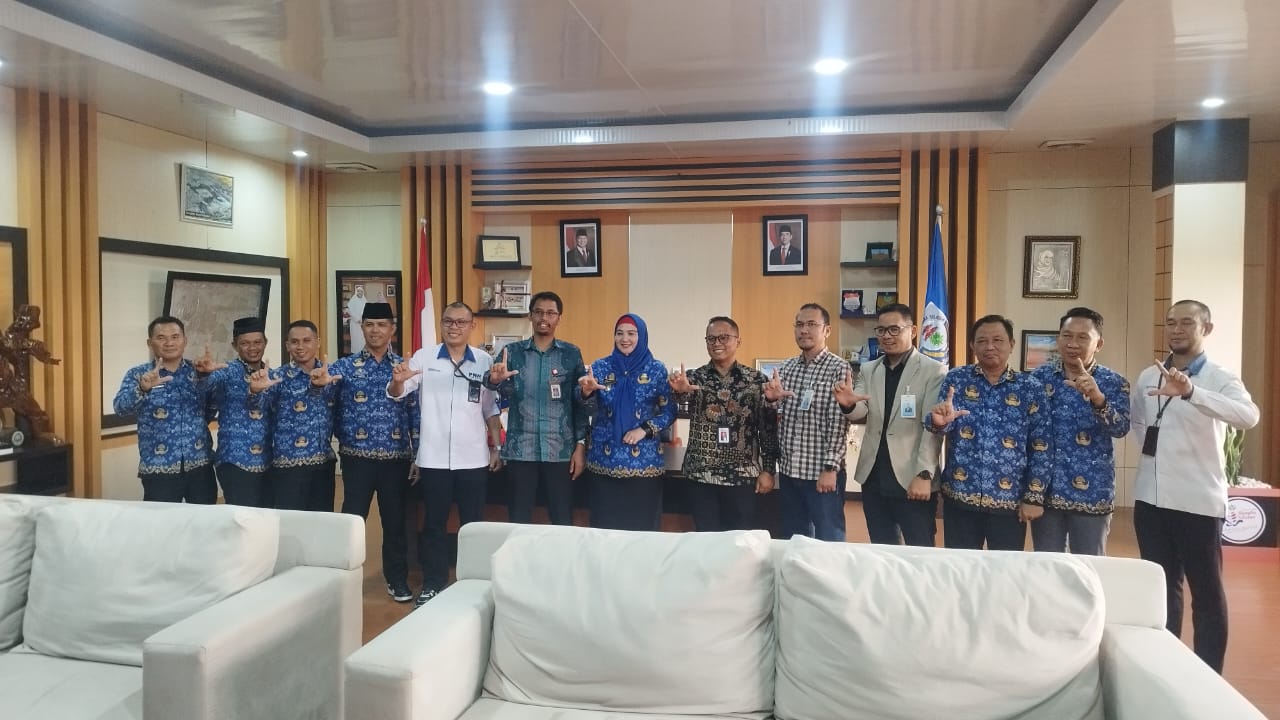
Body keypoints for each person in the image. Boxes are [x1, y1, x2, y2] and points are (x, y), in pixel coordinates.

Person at [1131, 299, 1259, 674]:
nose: (1176, 329)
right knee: (1161, 589)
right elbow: (1139, 423)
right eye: (1171, 322)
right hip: (1150, 500)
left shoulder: (1220, 377)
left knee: (1206, 593)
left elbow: (1248, 416)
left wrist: (1192, 393)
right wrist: (1159, 457)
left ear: (1207, 328)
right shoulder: (1149, 375)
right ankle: (1165, 666)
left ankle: (1208, 673)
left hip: (1197, 501)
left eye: (1186, 322)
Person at [388, 302, 502, 607]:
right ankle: (433, 583)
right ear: (441, 324)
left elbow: (490, 409)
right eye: (448, 321)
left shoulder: (484, 361)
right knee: (434, 524)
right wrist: (397, 380)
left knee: (473, 525)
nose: (454, 327)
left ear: (472, 326)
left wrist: (496, 447)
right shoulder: (424, 357)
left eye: (461, 322)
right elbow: (398, 392)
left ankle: (474, 583)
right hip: (434, 458)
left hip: (473, 458)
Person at [926, 314, 1050, 551]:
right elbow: (940, 423)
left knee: (1004, 569)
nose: (989, 346)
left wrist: (1034, 497)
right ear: (972, 346)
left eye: (997, 340)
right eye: (982, 341)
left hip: (1009, 502)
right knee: (960, 567)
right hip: (960, 498)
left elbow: (1041, 445)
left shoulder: (1030, 387)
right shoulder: (957, 379)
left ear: (1011, 344)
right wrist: (939, 422)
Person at [329, 302, 417, 603]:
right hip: (357, 459)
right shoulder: (343, 367)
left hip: (396, 459)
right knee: (352, 522)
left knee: (395, 523)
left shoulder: (405, 368)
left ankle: (397, 580)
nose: (375, 330)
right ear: (361, 327)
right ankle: (342, 580)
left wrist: (417, 454)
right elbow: (328, 406)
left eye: (382, 324)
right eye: (369, 324)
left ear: (392, 329)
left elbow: (415, 412)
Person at [1030, 307, 1130, 555]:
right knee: (1048, 566)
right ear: (1058, 339)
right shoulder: (1038, 378)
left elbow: (1120, 428)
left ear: (1099, 344)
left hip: (1092, 493)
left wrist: (1098, 399)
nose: (1073, 343)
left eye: (1082, 337)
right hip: (1046, 492)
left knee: (1089, 566)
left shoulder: (1114, 382)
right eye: (1067, 335)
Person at [844, 303, 946, 546]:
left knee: (919, 549)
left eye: (894, 329)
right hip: (874, 476)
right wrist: (847, 405)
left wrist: (924, 474)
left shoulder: (933, 371)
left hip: (912, 476)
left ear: (913, 331)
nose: (886, 336)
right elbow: (860, 410)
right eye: (881, 330)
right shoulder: (869, 369)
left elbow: (932, 428)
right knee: (882, 548)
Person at [485, 291, 588, 525]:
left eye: (551, 313)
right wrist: (494, 380)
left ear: (559, 318)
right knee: (518, 520)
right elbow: (491, 384)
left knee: (562, 520)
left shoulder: (571, 354)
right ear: (530, 316)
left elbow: (580, 403)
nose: (544, 318)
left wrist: (580, 445)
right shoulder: (512, 352)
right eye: (539, 312)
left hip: (560, 451)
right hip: (521, 450)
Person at [668, 316, 778, 531]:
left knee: (739, 541)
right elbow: (673, 406)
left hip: (742, 476)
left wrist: (768, 470)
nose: (716, 343)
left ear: (738, 341)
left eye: (723, 337)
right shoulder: (693, 378)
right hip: (701, 475)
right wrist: (678, 393)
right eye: (711, 339)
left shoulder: (756, 380)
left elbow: (768, 428)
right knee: (706, 540)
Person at [763, 303, 856, 541]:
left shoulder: (838, 368)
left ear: (827, 330)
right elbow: (776, 417)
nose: (804, 330)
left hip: (821, 471)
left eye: (812, 324)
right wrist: (771, 401)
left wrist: (830, 468)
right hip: (789, 471)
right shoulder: (786, 368)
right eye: (799, 324)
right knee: (794, 539)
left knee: (829, 540)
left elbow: (839, 423)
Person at [577, 314, 675, 531]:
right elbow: (583, 405)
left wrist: (644, 429)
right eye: (619, 333)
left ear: (642, 336)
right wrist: (585, 392)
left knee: (642, 531)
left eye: (631, 333)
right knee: (604, 531)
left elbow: (669, 412)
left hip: (644, 466)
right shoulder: (600, 367)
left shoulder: (656, 369)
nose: (625, 339)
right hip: (604, 463)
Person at [112, 316, 215, 503]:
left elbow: (211, 408)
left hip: (200, 466)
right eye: (161, 338)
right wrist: (142, 389)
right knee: (161, 521)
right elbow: (120, 408)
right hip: (158, 469)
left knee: (205, 519)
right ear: (149, 343)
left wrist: (207, 378)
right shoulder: (138, 374)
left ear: (185, 341)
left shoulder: (199, 371)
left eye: (175, 337)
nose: (169, 343)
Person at [248, 320, 341, 511]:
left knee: (322, 522)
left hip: (323, 464)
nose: (300, 346)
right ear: (287, 345)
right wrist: (255, 390)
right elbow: (257, 408)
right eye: (295, 341)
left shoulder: (333, 376)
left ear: (318, 342)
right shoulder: (276, 377)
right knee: (289, 523)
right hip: (288, 466)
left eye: (306, 340)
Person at [204, 316, 273, 507]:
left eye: (257, 342)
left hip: (268, 461)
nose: (252, 348)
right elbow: (206, 385)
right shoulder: (226, 372)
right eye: (245, 343)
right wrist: (203, 374)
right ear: (235, 346)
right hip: (235, 462)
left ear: (265, 343)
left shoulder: (272, 375)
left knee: (266, 518)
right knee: (242, 518)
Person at [0, 304, 61, 438]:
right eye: (24, 320)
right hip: (9, 385)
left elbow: (19, 346)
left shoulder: (15, 338)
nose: (25, 324)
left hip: (14, 385)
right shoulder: (10, 338)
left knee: (36, 413)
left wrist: (45, 356)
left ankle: (43, 437)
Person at [347, 286, 367, 354]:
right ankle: (355, 353)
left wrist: (362, 319)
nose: (360, 292)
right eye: (358, 291)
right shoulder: (353, 300)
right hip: (354, 323)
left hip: (362, 323)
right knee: (355, 339)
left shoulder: (365, 301)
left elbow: (366, 311)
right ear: (356, 292)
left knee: (362, 338)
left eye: (361, 291)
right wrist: (357, 319)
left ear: (363, 292)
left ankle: (362, 352)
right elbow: (350, 311)